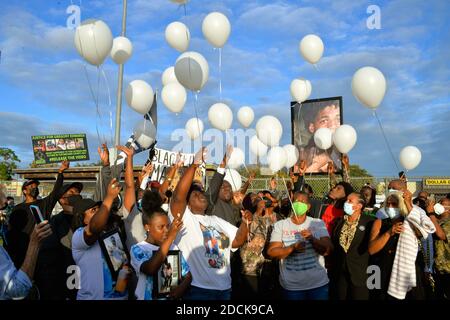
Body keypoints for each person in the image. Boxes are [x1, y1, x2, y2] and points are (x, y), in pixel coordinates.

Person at [169, 147, 252, 300]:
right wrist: (194, 165)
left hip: (224, 289)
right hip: (198, 290)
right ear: (187, 204)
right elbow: (178, 197)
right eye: (195, 194)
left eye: (201, 193)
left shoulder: (217, 221)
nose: (201, 195)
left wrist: (246, 223)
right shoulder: (186, 218)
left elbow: (237, 241)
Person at [369, 189, 436, 300]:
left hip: (409, 270)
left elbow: (422, 233)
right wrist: (389, 232)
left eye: (394, 204)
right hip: (386, 270)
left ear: (401, 205)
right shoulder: (380, 222)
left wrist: (409, 204)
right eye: (388, 203)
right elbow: (372, 250)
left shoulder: (410, 221)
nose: (390, 207)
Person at [267, 191, 333, 300]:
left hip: (318, 284)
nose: (299, 204)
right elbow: (272, 252)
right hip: (292, 287)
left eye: (303, 202)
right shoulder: (280, 225)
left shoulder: (317, 223)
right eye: (296, 201)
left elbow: (329, 250)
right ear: (292, 204)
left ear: (308, 207)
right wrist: (292, 248)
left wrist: (312, 239)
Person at [71, 178, 130, 300]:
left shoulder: (110, 234)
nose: (98, 212)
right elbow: (94, 227)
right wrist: (109, 198)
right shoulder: (78, 236)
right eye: (93, 211)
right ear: (82, 218)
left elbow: (121, 265)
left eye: (99, 209)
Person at [329, 192, 374, 300]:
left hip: (360, 274)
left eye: (350, 201)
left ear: (359, 206)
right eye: (346, 200)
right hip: (340, 273)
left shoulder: (370, 222)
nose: (346, 203)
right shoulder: (338, 221)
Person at [13, 160, 69, 235]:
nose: (35, 188)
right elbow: (12, 228)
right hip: (24, 243)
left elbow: (56, 191)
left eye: (36, 187)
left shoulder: (44, 203)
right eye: (31, 186)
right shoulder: (18, 208)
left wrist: (60, 172)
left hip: (43, 243)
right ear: (24, 191)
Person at [238, 193, 277, 299]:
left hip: (266, 266)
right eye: (254, 199)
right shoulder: (246, 219)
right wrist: (259, 211)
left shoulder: (269, 219)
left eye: (259, 198)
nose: (258, 200)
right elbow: (244, 236)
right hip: (251, 268)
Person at [297, 102, 341, 173]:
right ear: (312, 127)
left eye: (338, 119)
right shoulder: (302, 155)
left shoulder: (340, 156)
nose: (333, 125)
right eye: (324, 121)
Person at [426, 197, 450, 299]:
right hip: (436, 268)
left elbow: (441, 235)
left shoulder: (448, 223)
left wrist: (431, 214)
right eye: (439, 202)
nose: (439, 205)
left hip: (447, 269)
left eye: (443, 203)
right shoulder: (437, 220)